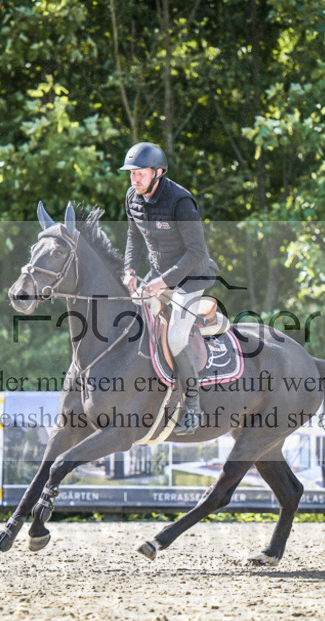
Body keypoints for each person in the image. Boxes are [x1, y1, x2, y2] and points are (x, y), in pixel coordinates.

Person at [119, 142, 219, 436]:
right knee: (129, 317)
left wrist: (163, 281)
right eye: (131, 173)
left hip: (191, 278)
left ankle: (193, 407)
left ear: (158, 172)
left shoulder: (180, 201)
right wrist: (129, 269)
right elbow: (133, 236)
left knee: (175, 336)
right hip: (157, 275)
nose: (134, 179)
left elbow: (197, 252)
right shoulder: (133, 197)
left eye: (140, 173)